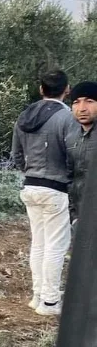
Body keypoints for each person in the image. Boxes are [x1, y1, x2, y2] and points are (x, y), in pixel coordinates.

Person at [11, 69, 75, 316]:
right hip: (55, 188)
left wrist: (28, 170)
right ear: (67, 90)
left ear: (41, 89)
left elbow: (16, 154)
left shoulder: (24, 115)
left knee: (38, 243)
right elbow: (73, 153)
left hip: (30, 185)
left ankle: (38, 295)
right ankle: (49, 302)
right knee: (56, 246)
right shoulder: (66, 117)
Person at [66, 81, 97, 237]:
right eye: (76, 102)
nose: (82, 108)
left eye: (89, 101)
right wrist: (74, 216)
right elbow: (70, 179)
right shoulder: (71, 138)